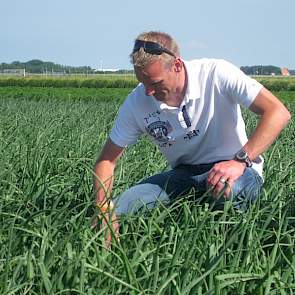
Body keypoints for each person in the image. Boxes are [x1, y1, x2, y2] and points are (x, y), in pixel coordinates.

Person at [93, 31, 291, 239]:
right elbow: (106, 160)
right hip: (184, 174)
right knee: (122, 207)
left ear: (177, 65)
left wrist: (239, 161)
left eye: (156, 83)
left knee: (226, 190)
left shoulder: (216, 73)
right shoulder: (136, 103)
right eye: (143, 83)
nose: (148, 92)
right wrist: (104, 208)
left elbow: (278, 112)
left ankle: (230, 244)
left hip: (235, 170)